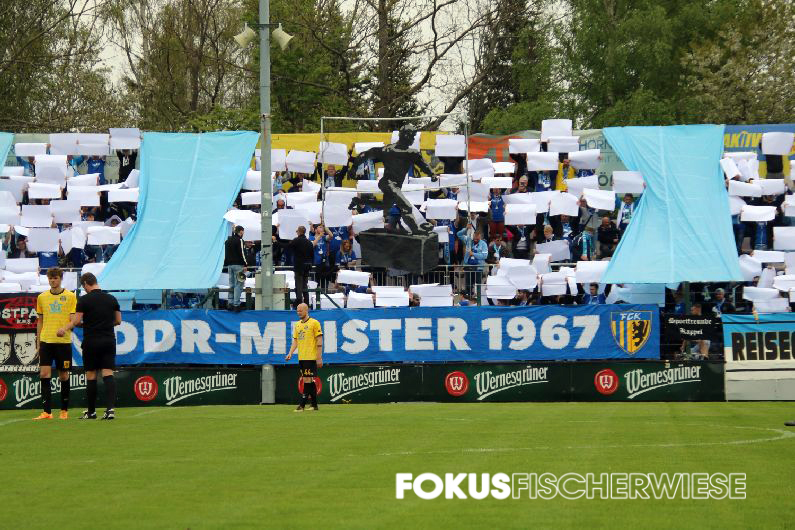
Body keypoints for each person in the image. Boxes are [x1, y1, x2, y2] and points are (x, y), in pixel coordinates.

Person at [353, 125, 436, 235]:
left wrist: (432, 174)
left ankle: (362, 203)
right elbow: (366, 154)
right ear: (405, 136)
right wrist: (354, 167)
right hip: (387, 183)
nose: (413, 139)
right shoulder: (388, 150)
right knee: (406, 206)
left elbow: (423, 164)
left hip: (396, 185)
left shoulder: (412, 153)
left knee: (386, 207)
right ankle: (415, 229)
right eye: (412, 136)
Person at [60, 273, 121, 420]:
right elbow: (118, 321)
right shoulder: (112, 298)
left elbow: (76, 321)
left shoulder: (84, 300)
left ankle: (92, 412)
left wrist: (66, 328)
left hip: (91, 341)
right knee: (108, 373)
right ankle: (110, 410)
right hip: (108, 340)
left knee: (91, 375)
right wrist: (104, 325)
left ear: (86, 284)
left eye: (83, 286)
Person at [33, 267, 77, 420]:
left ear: (60, 278)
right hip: (46, 341)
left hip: (63, 342)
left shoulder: (70, 296)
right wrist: (38, 342)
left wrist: (65, 328)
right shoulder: (42, 297)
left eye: (55, 278)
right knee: (44, 374)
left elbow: (73, 320)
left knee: (63, 375)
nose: (52, 281)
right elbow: (40, 321)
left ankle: (64, 410)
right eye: (50, 278)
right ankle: (47, 412)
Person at [285, 303, 323, 411]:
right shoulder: (297, 325)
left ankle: (301, 405)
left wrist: (319, 357)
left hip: (310, 357)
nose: (298, 312)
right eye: (297, 311)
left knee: (306, 380)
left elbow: (319, 340)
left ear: (306, 310)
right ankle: (314, 405)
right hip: (301, 357)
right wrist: (290, 353)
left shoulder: (314, 323)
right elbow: (295, 341)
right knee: (309, 380)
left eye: (300, 310)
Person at [284, 226, 314, 307]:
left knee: (298, 285)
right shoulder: (309, 242)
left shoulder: (297, 240)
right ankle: (306, 302)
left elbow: (287, 247)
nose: (296, 232)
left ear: (299, 232)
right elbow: (312, 255)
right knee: (305, 284)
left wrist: (276, 242)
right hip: (307, 266)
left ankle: (299, 302)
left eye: (297, 231)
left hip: (299, 266)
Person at [223, 225, 247, 312]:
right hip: (239, 265)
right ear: (241, 231)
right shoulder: (240, 240)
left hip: (230, 265)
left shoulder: (227, 241)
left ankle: (230, 303)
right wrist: (245, 264)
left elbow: (226, 254)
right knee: (239, 284)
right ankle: (236, 304)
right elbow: (242, 253)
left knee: (231, 284)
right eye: (243, 232)